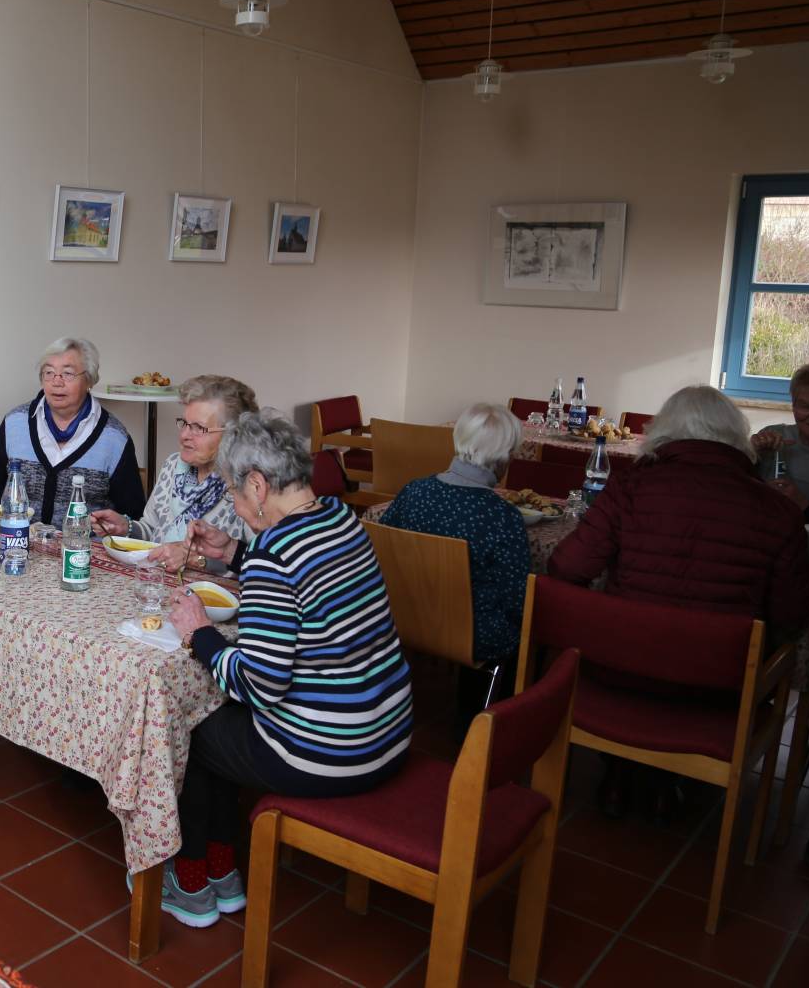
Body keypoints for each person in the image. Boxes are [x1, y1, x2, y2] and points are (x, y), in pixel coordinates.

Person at [159, 409, 413, 929]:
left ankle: (196, 881)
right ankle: (221, 872)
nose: (233, 499)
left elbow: (260, 684)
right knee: (214, 716)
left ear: (258, 484)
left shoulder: (275, 555)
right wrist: (233, 552)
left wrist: (198, 633)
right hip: (387, 732)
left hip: (329, 753)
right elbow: (304, 579)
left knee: (185, 724)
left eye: (234, 489)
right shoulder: (342, 520)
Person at [548, 386, 809, 821]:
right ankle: (669, 782)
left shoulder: (631, 486)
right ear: (737, 438)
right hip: (718, 684)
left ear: (664, 431)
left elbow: (567, 566)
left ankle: (624, 775)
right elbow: (793, 613)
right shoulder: (778, 510)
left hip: (619, 665)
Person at [380, 403, 529, 700]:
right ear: (502, 458)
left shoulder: (413, 492)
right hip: (473, 636)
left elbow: (383, 551)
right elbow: (518, 599)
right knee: (526, 624)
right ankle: (484, 725)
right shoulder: (503, 517)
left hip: (401, 616)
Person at [89, 374, 257, 575]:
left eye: (199, 428)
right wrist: (126, 528)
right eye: (184, 423)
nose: (185, 435)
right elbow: (152, 531)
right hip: (156, 585)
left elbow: (261, 564)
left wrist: (197, 559)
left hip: (211, 599)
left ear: (233, 433)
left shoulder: (247, 484)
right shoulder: (173, 466)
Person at [0, 337, 145, 525]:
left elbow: (131, 515)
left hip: (83, 550)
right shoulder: (15, 424)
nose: (57, 382)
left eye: (68, 374)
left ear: (89, 380)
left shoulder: (114, 437)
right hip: (17, 544)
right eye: (49, 373)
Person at [752, 359, 809, 525]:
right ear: (793, 405)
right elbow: (731, 492)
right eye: (805, 406)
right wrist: (748, 453)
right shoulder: (774, 435)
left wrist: (803, 504)